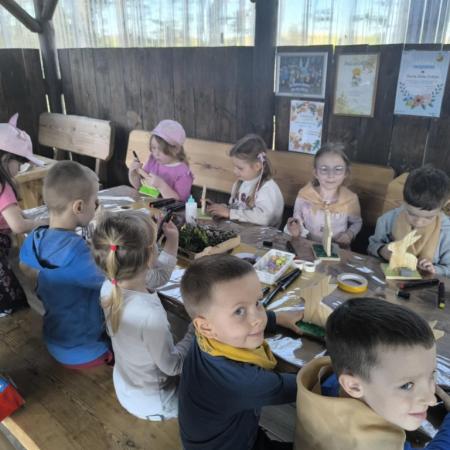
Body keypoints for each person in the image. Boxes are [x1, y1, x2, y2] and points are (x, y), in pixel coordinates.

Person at [178, 254, 304, 450]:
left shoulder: (205, 336)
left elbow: (251, 316)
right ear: (206, 327)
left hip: (231, 432)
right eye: (239, 311)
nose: (258, 319)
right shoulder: (242, 382)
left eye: (257, 303)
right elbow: (301, 388)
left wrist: (276, 318)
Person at [294, 298, 450, 450]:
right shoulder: (375, 445)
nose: (431, 400)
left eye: (432, 375)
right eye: (407, 385)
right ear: (353, 386)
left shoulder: (326, 379)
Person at [91, 211, 193, 420]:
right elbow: (173, 366)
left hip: (129, 390)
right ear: (150, 256)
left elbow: (159, 276)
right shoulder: (149, 316)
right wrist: (194, 332)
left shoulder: (110, 286)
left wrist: (172, 241)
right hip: (158, 403)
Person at [20, 161, 111, 368]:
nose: (96, 206)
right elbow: (116, 278)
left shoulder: (33, 239)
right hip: (85, 351)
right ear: (79, 207)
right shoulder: (77, 254)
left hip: (55, 338)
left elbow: (27, 268)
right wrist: (101, 233)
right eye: (95, 202)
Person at [0, 113, 47, 315]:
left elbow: (13, 214)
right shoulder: (3, 187)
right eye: (20, 164)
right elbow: (17, 226)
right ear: (6, 159)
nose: (20, 170)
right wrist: (42, 221)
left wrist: (27, 217)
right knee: (12, 303)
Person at [368, 165, 450, 277]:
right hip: (386, 278)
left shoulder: (446, 232)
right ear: (404, 201)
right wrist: (382, 250)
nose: (418, 222)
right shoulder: (388, 220)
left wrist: (434, 269)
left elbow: (448, 269)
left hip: (426, 284)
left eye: (428, 217)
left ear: (442, 208)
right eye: (411, 214)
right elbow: (372, 246)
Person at [286, 143, 362, 248]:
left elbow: (357, 222)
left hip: (338, 250)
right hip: (308, 247)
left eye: (338, 169)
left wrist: (349, 235)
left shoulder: (350, 199)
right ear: (316, 173)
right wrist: (295, 228)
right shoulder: (305, 195)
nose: (331, 175)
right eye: (324, 169)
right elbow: (297, 220)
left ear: (346, 173)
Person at [207, 134, 284, 228]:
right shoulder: (240, 183)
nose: (235, 171)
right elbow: (237, 207)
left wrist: (230, 213)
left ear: (257, 166)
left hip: (262, 236)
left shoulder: (267, 188)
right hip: (240, 231)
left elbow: (264, 218)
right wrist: (220, 209)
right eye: (234, 166)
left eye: (240, 168)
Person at [128, 119, 193, 201]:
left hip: (169, 208)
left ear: (176, 149)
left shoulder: (183, 173)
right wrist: (133, 175)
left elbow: (180, 203)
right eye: (153, 148)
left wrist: (162, 186)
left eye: (161, 149)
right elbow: (142, 188)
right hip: (149, 204)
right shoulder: (153, 160)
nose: (156, 153)